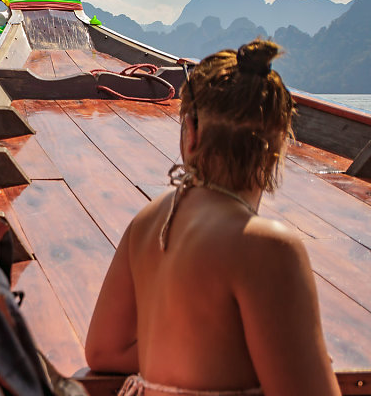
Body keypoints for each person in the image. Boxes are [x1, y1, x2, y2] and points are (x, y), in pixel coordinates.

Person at [83, 39, 341, 396]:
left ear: (190, 134)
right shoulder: (266, 247)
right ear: (280, 145)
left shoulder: (148, 223)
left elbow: (103, 352)